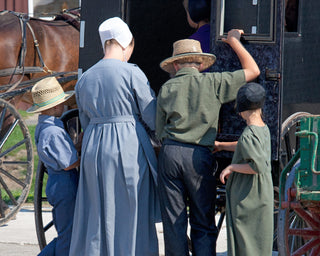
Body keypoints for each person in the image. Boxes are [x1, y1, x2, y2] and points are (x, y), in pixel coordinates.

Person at [156, 29, 260, 256]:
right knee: (203, 220)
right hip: (199, 157)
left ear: (175, 66)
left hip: (170, 153)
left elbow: (160, 131)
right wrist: (234, 41)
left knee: (174, 222)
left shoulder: (167, 88)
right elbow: (253, 70)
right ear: (201, 64)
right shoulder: (214, 82)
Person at [69, 17, 160, 256]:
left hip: (94, 146)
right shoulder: (132, 73)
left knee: (97, 209)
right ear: (125, 44)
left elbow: (85, 122)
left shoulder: (85, 78)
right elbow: (152, 117)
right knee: (132, 208)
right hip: (128, 144)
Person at [217, 82, 273, 256]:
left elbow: (258, 166)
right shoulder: (262, 129)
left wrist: (232, 167)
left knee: (246, 245)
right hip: (262, 194)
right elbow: (246, 146)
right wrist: (222, 145)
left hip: (248, 197)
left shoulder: (249, 134)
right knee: (258, 243)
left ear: (240, 109)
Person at [27, 77, 81, 256]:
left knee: (66, 233)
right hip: (64, 183)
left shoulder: (45, 128)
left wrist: (76, 147)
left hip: (57, 181)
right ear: (56, 107)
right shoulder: (54, 132)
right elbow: (68, 164)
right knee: (68, 235)